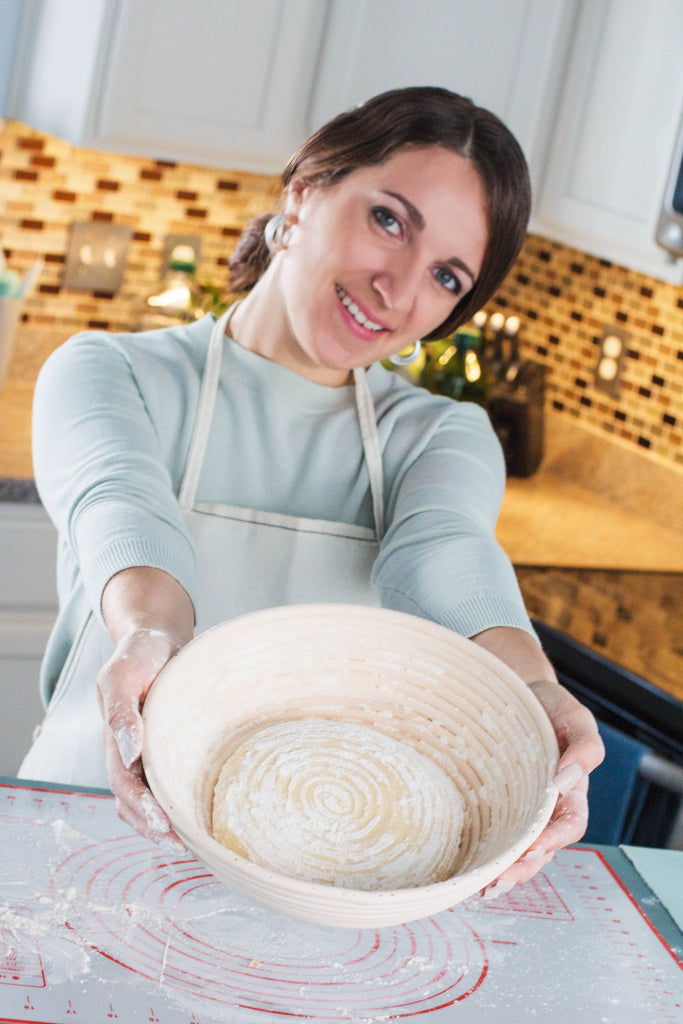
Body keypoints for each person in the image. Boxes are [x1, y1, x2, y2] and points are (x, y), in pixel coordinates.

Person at [20, 86, 603, 899]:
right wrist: (152, 634)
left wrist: (533, 688)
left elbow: (442, 553)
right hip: (89, 823)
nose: (397, 289)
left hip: (308, 868)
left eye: (444, 276)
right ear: (304, 193)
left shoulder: (437, 435)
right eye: (389, 220)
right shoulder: (110, 372)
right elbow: (124, 512)